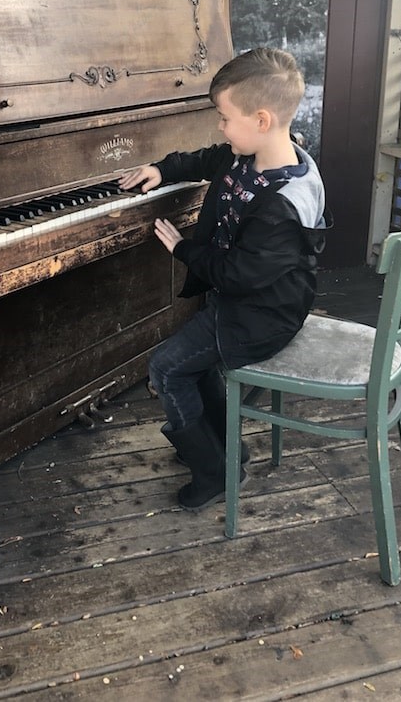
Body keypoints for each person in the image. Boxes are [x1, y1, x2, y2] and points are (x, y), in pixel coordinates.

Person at [118, 47, 328, 512]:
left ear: (261, 119)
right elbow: (209, 159)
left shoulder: (283, 203)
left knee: (167, 369)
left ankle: (215, 471)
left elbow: (238, 277)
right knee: (194, 366)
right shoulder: (252, 155)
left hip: (260, 316)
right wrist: (163, 169)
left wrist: (182, 249)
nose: (220, 126)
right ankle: (224, 448)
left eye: (224, 117)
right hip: (243, 305)